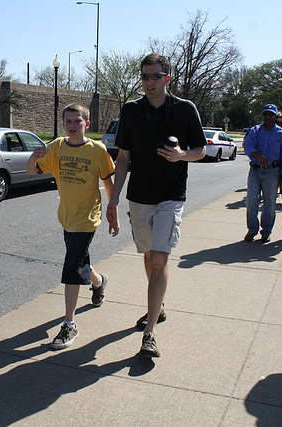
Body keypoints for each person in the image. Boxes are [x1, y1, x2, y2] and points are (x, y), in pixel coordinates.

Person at [106, 53, 207, 358]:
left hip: (171, 196)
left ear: (167, 78)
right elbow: (123, 158)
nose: (149, 82)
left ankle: (149, 332)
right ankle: (157, 307)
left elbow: (201, 150)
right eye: (145, 76)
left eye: (155, 76)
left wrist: (181, 156)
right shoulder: (131, 111)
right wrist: (113, 197)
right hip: (139, 196)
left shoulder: (185, 110)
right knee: (150, 256)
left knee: (160, 259)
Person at [27, 103, 117, 350]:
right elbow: (31, 171)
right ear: (63, 123)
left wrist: (113, 213)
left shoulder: (97, 150)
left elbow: (110, 184)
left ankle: (69, 324)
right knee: (80, 263)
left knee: (70, 268)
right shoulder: (56, 146)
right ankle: (98, 282)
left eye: (77, 121)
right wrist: (33, 158)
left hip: (88, 218)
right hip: (67, 217)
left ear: (87, 124)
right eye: (68, 121)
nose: (72, 125)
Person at [243, 104, 282, 242]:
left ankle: (266, 231)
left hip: (272, 172)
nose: (268, 117)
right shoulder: (255, 130)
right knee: (251, 200)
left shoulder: (281, 134)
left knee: (269, 204)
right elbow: (247, 145)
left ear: (276, 117)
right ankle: (252, 230)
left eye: (271, 115)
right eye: (265, 114)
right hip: (256, 171)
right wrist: (259, 155)